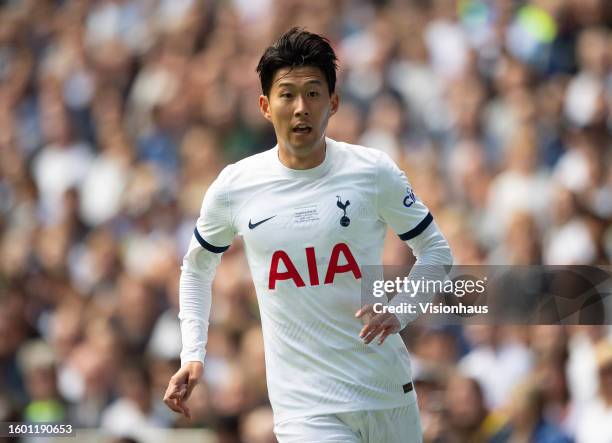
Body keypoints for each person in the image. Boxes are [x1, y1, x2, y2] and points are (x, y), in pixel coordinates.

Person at [163, 28, 452, 442]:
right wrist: (193, 352)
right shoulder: (235, 186)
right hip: (306, 408)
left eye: (314, 94)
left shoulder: (372, 171)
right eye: (287, 95)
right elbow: (195, 269)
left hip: (386, 391)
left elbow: (437, 252)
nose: (301, 108)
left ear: (333, 103)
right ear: (265, 106)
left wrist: (400, 310)